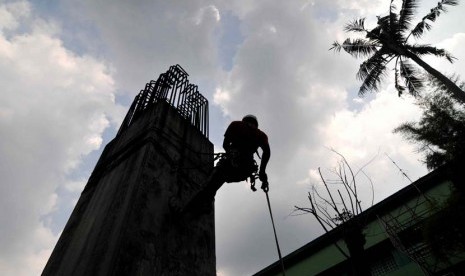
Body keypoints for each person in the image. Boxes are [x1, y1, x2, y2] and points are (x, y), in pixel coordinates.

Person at [196, 114, 270, 211]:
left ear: (244, 120)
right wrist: (262, 171)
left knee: (215, 180)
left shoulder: (236, 124)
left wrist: (231, 153)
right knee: (221, 178)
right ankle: (207, 200)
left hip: (230, 164)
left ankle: (204, 201)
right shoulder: (260, 134)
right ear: (256, 124)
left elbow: (225, 144)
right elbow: (267, 152)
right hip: (245, 170)